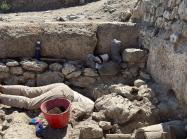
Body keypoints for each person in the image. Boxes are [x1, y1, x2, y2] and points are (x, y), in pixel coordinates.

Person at [0, 83, 94, 110]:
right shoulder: (92, 109)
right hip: (64, 95)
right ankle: (1, 97)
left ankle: (2, 88)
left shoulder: (92, 102)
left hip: (63, 87)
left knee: (29, 91)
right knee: (30, 103)